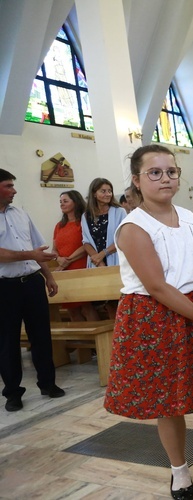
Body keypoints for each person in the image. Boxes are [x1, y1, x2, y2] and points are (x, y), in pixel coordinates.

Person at [103, 145, 193, 499]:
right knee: (167, 401)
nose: (165, 178)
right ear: (137, 180)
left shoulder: (190, 218)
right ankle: (180, 472)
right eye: (154, 172)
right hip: (151, 317)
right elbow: (157, 286)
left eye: (171, 171)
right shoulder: (133, 227)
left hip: (191, 307)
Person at [0, 169, 65, 412]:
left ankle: (48, 384)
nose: (14, 190)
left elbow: (37, 247)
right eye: (8, 186)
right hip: (4, 287)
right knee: (7, 341)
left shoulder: (21, 214)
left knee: (41, 336)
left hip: (32, 282)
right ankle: (13, 393)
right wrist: (31, 255)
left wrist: (48, 276)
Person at [51, 190, 99, 321]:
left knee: (86, 306)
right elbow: (54, 249)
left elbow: (87, 245)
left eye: (65, 201)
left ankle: (94, 340)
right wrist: (59, 259)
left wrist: (68, 260)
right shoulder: (59, 226)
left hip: (80, 266)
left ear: (75, 202)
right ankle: (81, 341)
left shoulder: (84, 222)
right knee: (71, 308)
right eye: (60, 202)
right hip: (64, 268)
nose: (62, 204)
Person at [82, 178, 127, 268]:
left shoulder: (119, 212)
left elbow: (123, 238)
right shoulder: (86, 216)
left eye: (109, 191)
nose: (108, 194)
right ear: (94, 194)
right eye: (103, 191)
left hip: (116, 258)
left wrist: (102, 254)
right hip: (96, 262)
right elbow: (86, 242)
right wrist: (98, 261)